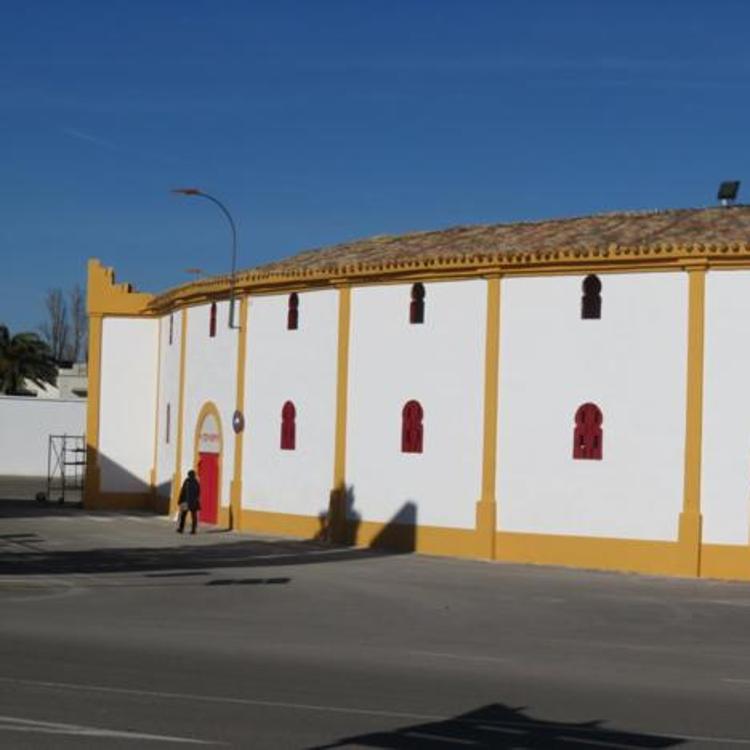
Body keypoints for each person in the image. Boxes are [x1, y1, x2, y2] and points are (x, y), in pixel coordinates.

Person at [176, 469, 201, 534]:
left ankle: (181, 529)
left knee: (184, 515)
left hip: (186, 501)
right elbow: (198, 492)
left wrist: (180, 500)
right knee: (193, 516)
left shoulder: (187, 481)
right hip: (193, 501)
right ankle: (193, 530)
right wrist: (196, 499)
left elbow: (183, 491)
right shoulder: (196, 482)